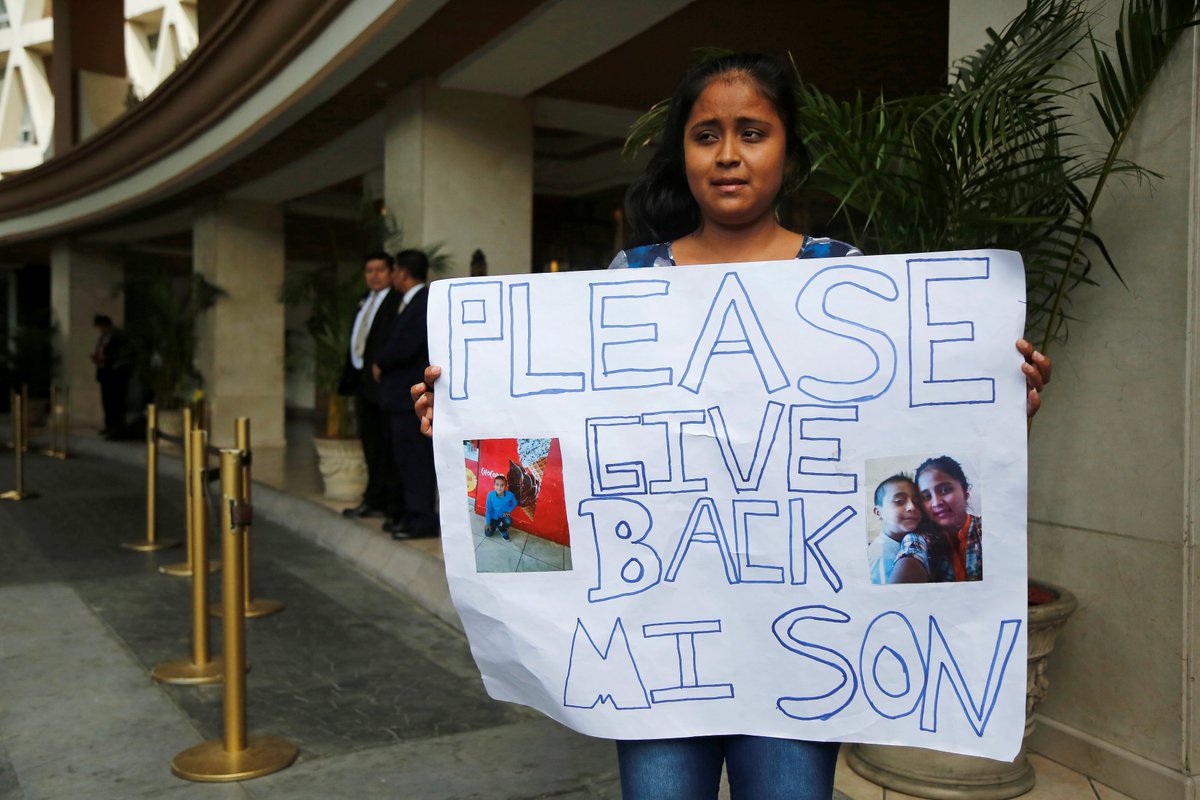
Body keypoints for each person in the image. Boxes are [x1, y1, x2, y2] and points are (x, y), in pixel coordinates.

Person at [410, 52, 1053, 800]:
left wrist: (993, 409)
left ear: (789, 150)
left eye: (752, 132)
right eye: (706, 134)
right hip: (656, 643)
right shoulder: (631, 280)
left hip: (798, 647)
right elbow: (579, 446)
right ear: (682, 153)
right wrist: (467, 418)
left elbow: (885, 449)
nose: (728, 155)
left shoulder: (843, 280)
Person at [374, 249, 438, 539]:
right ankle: (408, 515)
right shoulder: (408, 302)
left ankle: (422, 519)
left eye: (395, 271)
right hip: (399, 398)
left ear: (402, 272)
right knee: (404, 462)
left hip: (410, 397)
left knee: (416, 463)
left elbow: (405, 344)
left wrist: (381, 361)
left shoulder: (423, 301)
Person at [340, 252, 401, 521]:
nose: (374, 275)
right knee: (370, 445)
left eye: (379, 270)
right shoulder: (364, 301)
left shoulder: (396, 301)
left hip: (384, 384)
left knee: (386, 447)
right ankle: (373, 498)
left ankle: (389, 502)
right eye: (369, 270)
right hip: (363, 384)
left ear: (391, 272)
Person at [891, 456, 981, 584]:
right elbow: (911, 553)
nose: (936, 503)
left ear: (965, 492)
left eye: (945, 490)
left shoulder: (986, 529)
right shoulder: (919, 538)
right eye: (926, 496)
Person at [867, 474, 922, 584]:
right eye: (899, 501)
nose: (912, 507)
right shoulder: (882, 554)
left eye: (916, 502)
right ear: (879, 512)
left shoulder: (913, 541)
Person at [91, 314, 132, 438]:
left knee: (116, 402)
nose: (100, 329)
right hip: (105, 374)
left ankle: (117, 427)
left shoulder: (117, 337)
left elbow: (120, 355)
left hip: (115, 375)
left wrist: (106, 359)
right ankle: (109, 425)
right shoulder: (103, 338)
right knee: (107, 401)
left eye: (101, 326)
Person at [483, 475, 517, 540]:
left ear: (505, 486)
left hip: (503, 515)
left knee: (508, 521)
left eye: (502, 485)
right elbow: (488, 510)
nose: (499, 487)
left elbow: (514, 502)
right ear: (494, 485)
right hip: (494, 516)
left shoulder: (510, 494)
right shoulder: (490, 494)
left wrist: (509, 510)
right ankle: (497, 525)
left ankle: (503, 529)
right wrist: (488, 522)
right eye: (497, 484)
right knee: (488, 533)